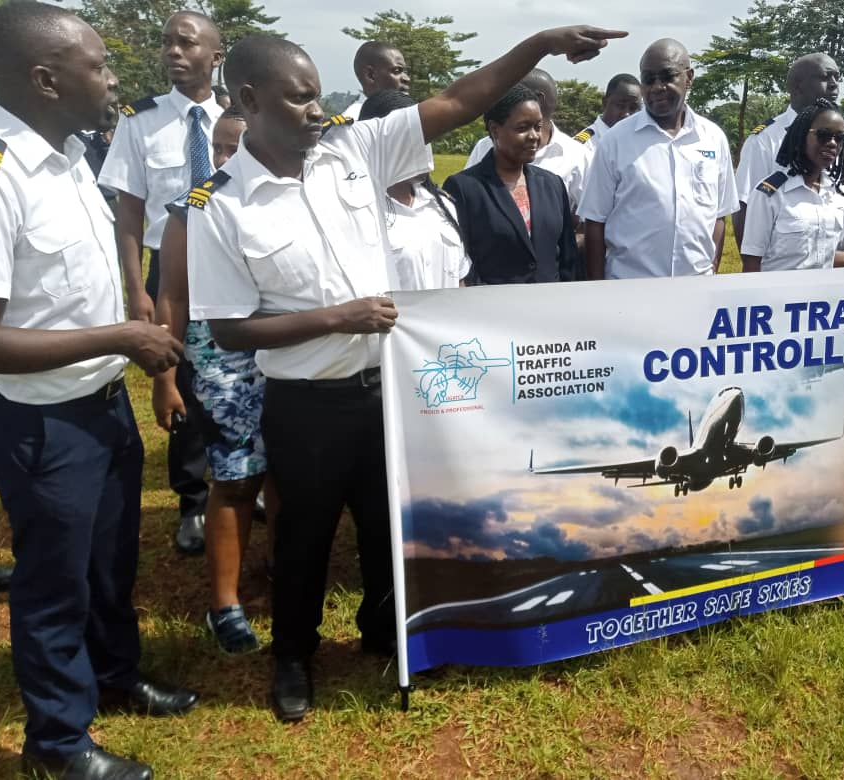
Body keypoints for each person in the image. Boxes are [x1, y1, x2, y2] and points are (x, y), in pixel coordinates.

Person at [186, 25, 624, 723]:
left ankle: (383, 634)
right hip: (306, 403)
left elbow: (457, 98)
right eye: (300, 99)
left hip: (387, 390)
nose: (317, 111)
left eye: (316, 97)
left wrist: (538, 46)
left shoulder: (353, 149)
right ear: (249, 98)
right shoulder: (221, 205)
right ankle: (293, 657)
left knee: (391, 527)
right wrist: (337, 318)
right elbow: (230, 328)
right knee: (303, 538)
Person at [0, 4, 199, 778]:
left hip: (102, 400)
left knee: (112, 564)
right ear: (46, 79)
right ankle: (57, 744)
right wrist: (122, 336)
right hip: (42, 420)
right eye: (98, 65)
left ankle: (114, 678)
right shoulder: (1, 172)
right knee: (54, 583)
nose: (113, 78)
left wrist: (125, 332)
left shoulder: (70, 152)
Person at [99, 10, 223, 554]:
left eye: (187, 43)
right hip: (167, 266)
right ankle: (193, 501)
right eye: (167, 43)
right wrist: (136, 290)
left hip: (233, 263)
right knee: (182, 381)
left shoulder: (242, 115)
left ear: (216, 57)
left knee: (244, 370)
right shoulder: (139, 120)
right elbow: (129, 212)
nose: (173, 51)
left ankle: (248, 482)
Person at [152, 106, 275, 653]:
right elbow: (172, 297)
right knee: (236, 477)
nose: (225, 160)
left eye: (237, 147)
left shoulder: (290, 197)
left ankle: (278, 568)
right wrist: (166, 375)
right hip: (224, 362)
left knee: (289, 470)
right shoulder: (192, 208)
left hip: (289, 350)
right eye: (220, 148)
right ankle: (225, 604)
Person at [578, 39, 738, 280]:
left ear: (689, 77)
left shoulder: (713, 138)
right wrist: (599, 290)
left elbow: (719, 217)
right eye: (649, 79)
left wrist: (711, 272)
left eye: (667, 76)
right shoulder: (615, 141)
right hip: (631, 289)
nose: (657, 87)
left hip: (696, 288)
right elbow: (595, 223)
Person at [732, 53, 844, 255]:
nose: (834, 85)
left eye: (836, 77)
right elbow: (746, 208)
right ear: (797, 87)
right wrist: (755, 271)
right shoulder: (766, 139)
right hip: (791, 262)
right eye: (825, 77)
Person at [444, 85, 578, 284]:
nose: (534, 136)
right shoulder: (464, 188)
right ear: (495, 130)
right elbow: (459, 261)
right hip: (492, 309)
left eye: (538, 127)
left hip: (551, 307)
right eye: (522, 128)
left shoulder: (552, 185)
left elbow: (568, 259)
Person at [359, 90, 471, 290]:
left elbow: (460, 279)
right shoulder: (361, 212)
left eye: (424, 136)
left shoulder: (442, 205)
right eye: (409, 138)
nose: (422, 146)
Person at [741, 99, 844, 271]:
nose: (832, 143)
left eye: (839, 138)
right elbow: (752, 262)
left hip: (822, 295)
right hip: (778, 295)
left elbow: (827, 256)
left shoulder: (835, 194)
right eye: (823, 135)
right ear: (801, 135)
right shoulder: (770, 194)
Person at [463, 68, 590, 211]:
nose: (503, 97)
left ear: (538, 100)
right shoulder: (486, 145)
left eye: (513, 91)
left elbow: (590, 217)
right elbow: (468, 196)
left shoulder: (579, 156)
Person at [573, 73, 642, 156]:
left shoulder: (642, 143)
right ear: (605, 103)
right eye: (621, 106)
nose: (627, 114)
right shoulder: (583, 146)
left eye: (633, 108)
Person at [340, 41, 411, 120]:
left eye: (406, 72)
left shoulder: (409, 114)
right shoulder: (354, 122)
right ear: (370, 75)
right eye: (397, 70)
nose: (407, 79)